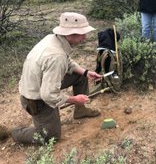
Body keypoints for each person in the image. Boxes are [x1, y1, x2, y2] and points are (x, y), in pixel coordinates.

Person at [11, 12, 101, 144]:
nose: (85, 37)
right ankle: (16, 133)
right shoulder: (56, 57)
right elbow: (48, 95)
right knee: (50, 136)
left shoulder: (54, 39)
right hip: (35, 99)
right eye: (82, 33)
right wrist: (74, 99)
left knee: (80, 76)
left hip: (40, 85)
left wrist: (86, 72)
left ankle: (80, 111)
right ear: (70, 33)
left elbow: (67, 61)